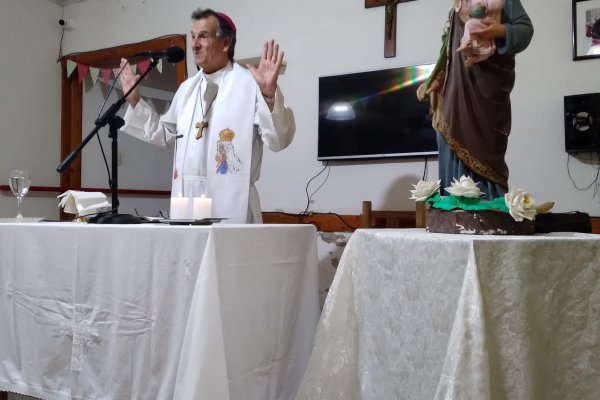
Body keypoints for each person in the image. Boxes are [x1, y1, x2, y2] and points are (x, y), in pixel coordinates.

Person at [119, 8, 295, 223]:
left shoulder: (250, 84)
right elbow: (166, 135)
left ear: (226, 43)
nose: (194, 44)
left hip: (231, 200)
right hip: (187, 199)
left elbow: (278, 140)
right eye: (193, 37)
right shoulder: (187, 89)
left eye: (203, 36)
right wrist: (135, 101)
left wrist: (268, 94)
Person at [417, 0, 533, 200]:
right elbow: (449, 53)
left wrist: (499, 31)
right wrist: (437, 78)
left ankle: (488, 201)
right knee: (447, 137)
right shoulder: (457, 9)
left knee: (483, 145)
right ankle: (453, 201)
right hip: (453, 92)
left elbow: (525, 30)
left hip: (486, 88)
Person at [455, 0, 505, 68]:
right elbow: (464, 10)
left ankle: (472, 49)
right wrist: (458, 4)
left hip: (489, 22)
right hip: (479, 21)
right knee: (472, 32)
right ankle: (471, 48)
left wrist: (485, 5)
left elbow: (499, 3)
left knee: (470, 25)